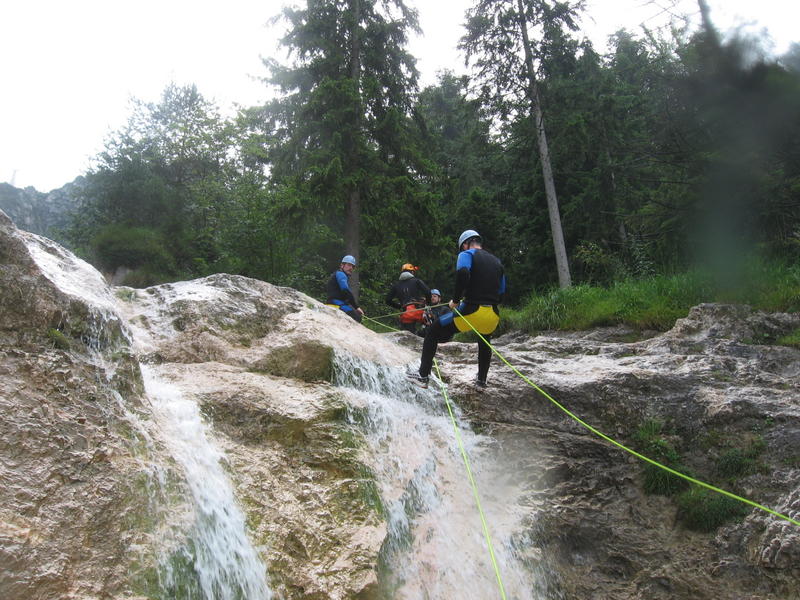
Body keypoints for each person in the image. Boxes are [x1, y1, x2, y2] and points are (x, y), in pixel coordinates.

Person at [407, 230, 505, 389]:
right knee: (484, 340)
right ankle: (481, 382)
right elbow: (501, 292)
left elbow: (463, 272)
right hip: (493, 314)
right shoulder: (497, 262)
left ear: (465, 244)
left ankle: (423, 376)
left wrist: (456, 300)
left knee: (432, 331)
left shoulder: (466, 254)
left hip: (472, 311)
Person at [385, 263, 431, 334]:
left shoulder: (396, 285)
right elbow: (428, 292)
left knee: (407, 335)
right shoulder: (416, 281)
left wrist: (399, 306)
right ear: (412, 272)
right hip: (419, 312)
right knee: (429, 325)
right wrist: (427, 303)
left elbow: (388, 300)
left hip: (406, 313)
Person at [326, 255, 365, 323]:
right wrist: (356, 307)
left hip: (334, 302)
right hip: (336, 303)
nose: (351, 268)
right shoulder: (341, 274)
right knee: (357, 318)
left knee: (355, 315)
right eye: (349, 265)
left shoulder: (336, 274)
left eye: (353, 266)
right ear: (342, 265)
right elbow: (345, 291)